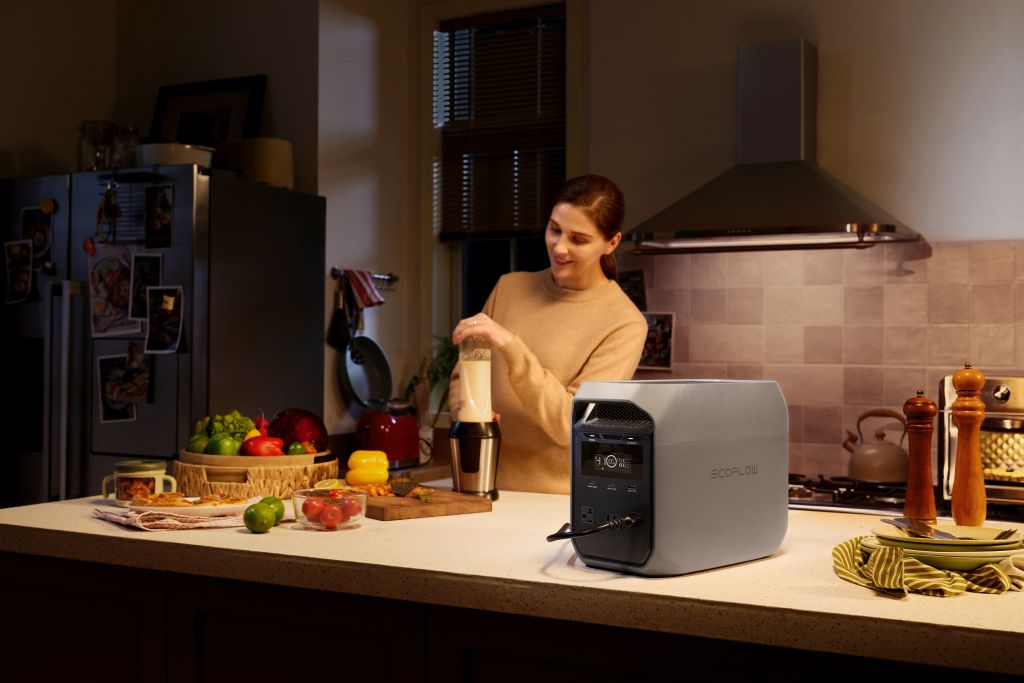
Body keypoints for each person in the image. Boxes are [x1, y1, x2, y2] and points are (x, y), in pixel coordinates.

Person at [449, 174, 648, 494]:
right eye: (555, 229)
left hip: (553, 504)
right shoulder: (509, 288)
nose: (560, 246)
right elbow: (465, 374)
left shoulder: (624, 324)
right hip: (481, 488)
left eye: (579, 239)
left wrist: (511, 347)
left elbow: (574, 424)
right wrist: (472, 415)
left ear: (611, 243)